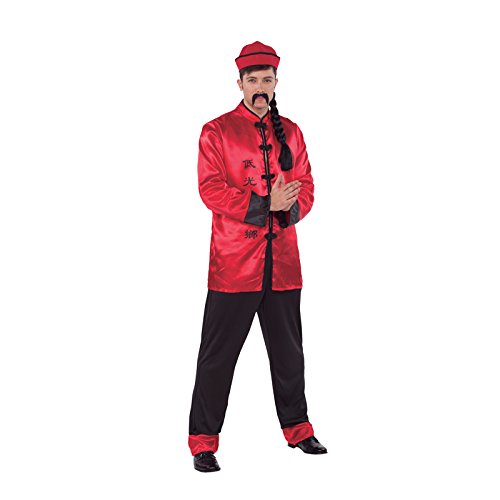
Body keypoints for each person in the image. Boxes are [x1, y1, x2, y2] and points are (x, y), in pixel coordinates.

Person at [188, 41, 327, 473]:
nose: (261, 87)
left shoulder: (294, 132)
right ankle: (202, 441)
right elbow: (210, 189)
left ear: (276, 83)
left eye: (268, 80)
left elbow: (306, 186)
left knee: (289, 354)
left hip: (283, 263)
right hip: (234, 265)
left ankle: (298, 429)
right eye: (253, 80)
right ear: (240, 84)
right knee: (217, 357)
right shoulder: (216, 131)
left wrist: (287, 208)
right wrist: (266, 203)